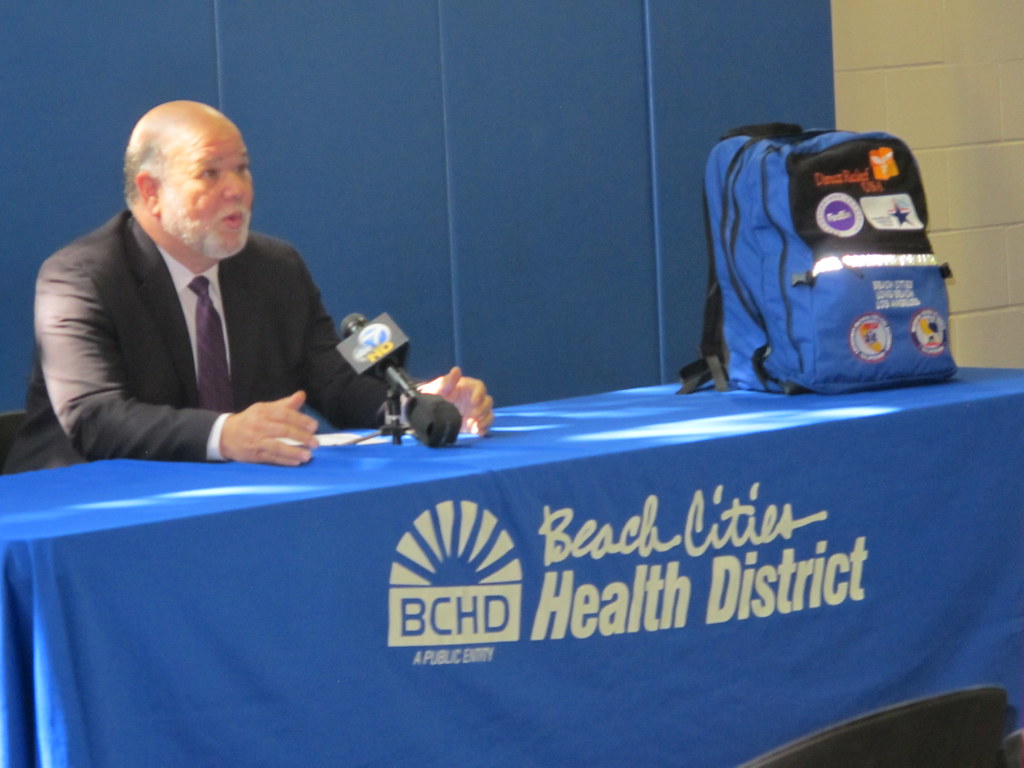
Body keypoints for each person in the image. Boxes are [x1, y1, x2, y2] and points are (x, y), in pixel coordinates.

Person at [3, 100, 493, 473]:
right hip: (84, 517)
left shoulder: (275, 268)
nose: (237, 188)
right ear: (152, 192)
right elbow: (95, 416)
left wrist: (419, 404)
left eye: (241, 168)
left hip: (235, 505)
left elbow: (336, 383)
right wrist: (225, 434)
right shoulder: (80, 276)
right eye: (209, 173)